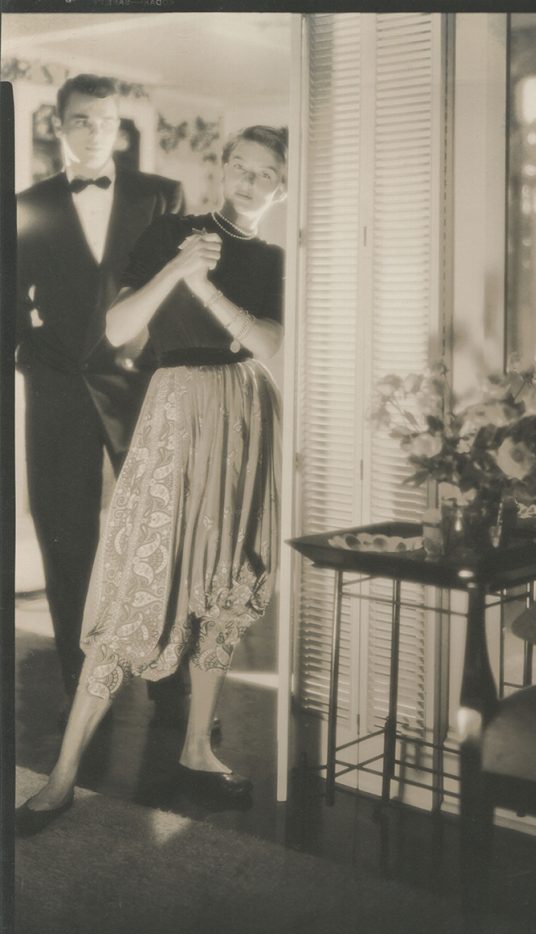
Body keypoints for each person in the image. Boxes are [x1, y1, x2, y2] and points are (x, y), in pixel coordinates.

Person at [16, 124, 287, 834]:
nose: (249, 180)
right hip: (172, 410)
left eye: (265, 173)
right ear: (222, 169)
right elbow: (118, 329)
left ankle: (198, 746)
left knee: (224, 579)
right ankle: (66, 771)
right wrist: (176, 269)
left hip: (244, 415)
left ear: (282, 186)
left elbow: (270, 346)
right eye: (240, 166)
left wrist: (207, 287)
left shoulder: (281, 260)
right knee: (138, 572)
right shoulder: (174, 233)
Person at [16, 74, 187, 724]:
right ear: (59, 127)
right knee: (66, 540)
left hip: (142, 386)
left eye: (105, 120)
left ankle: (171, 686)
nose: (94, 132)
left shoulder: (161, 196)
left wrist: (170, 372)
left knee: (156, 535)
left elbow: (181, 296)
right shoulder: (27, 203)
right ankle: (78, 680)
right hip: (58, 391)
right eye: (81, 120)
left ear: (120, 128)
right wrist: (29, 358)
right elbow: (10, 304)